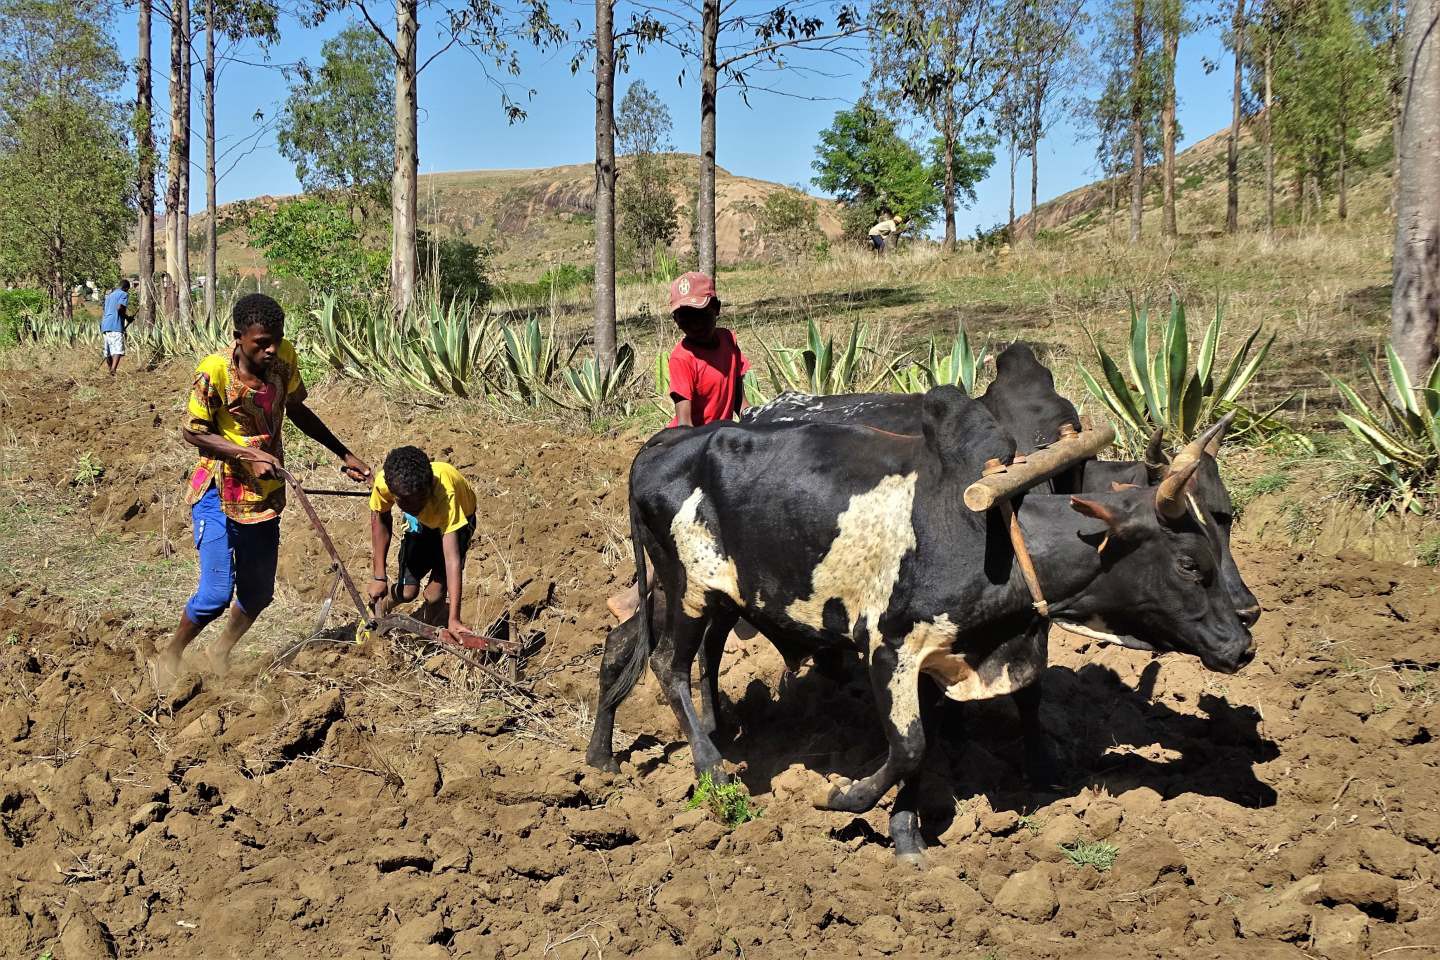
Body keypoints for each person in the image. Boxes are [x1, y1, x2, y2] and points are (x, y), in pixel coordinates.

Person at [151, 294, 370, 688]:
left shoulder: (284, 358)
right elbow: (192, 431)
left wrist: (343, 452)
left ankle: (219, 653)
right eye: (261, 343)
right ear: (239, 338)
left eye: (276, 339)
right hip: (218, 491)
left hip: (265, 494)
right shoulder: (213, 372)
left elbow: (297, 408)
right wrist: (243, 452)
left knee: (257, 595)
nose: (271, 349)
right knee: (216, 595)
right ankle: (172, 653)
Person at [606, 271, 749, 620]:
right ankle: (636, 597)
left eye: (699, 314)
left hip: (724, 443)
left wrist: (752, 433)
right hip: (692, 447)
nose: (692, 324)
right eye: (683, 317)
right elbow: (685, 422)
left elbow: (741, 403)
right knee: (680, 533)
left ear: (715, 308)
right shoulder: (681, 358)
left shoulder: (729, 342)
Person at [367, 446, 477, 639]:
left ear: (429, 486)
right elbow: (381, 520)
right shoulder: (384, 484)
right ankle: (377, 611)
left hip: (458, 521)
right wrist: (379, 577)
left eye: (421, 501)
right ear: (393, 493)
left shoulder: (444, 494)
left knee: (434, 595)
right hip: (420, 526)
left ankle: (431, 630)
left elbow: (452, 559)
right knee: (407, 591)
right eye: (406, 504)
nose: (414, 507)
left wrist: (455, 619)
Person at [100, 280, 131, 375]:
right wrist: (127, 317)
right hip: (115, 324)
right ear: (126, 288)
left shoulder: (109, 296)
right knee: (117, 349)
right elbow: (119, 308)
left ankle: (110, 370)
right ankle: (113, 370)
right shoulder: (123, 294)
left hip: (105, 325)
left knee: (108, 351)